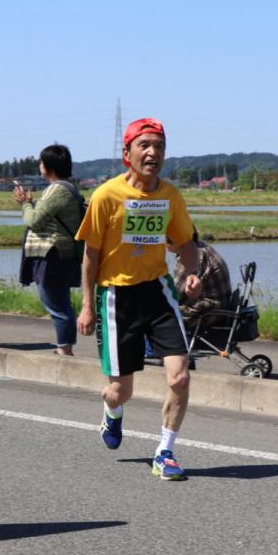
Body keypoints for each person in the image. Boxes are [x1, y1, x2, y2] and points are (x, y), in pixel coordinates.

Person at [75, 117, 202, 481]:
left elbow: (185, 244)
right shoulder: (106, 195)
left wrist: (192, 272)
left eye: (159, 146)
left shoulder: (170, 196)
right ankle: (111, 413)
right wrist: (86, 306)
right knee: (121, 390)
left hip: (157, 291)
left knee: (180, 378)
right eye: (145, 145)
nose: (153, 153)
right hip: (116, 296)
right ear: (126, 153)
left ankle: (165, 452)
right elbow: (90, 257)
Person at [14, 144, 84, 356]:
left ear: (49, 166)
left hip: (52, 255)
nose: (39, 166)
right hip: (58, 254)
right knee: (60, 302)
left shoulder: (56, 189)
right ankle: (65, 347)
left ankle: (64, 349)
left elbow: (34, 221)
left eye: (41, 162)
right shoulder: (64, 188)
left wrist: (25, 204)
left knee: (56, 305)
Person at [169, 231, 231, 324]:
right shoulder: (199, 245)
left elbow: (175, 294)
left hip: (208, 311)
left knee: (158, 312)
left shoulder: (191, 255)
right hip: (219, 306)